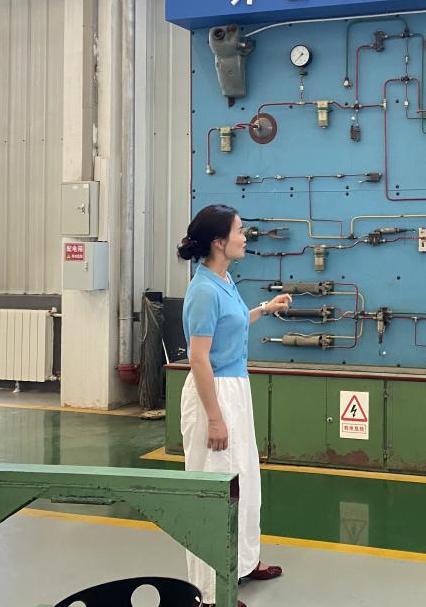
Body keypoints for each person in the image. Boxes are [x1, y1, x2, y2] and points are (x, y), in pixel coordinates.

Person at [177, 204, 292, 606]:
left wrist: (265, 309)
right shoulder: (204, 291)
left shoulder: (224, 280)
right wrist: (214, 418)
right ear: (218, 242)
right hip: (213, 394)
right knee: (215, 488)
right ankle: (209, 591)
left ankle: (243, 563)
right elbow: (199, 358)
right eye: (239, 231)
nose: (245, 237)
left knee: (245, 480)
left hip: (235, 390)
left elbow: (235, 321)